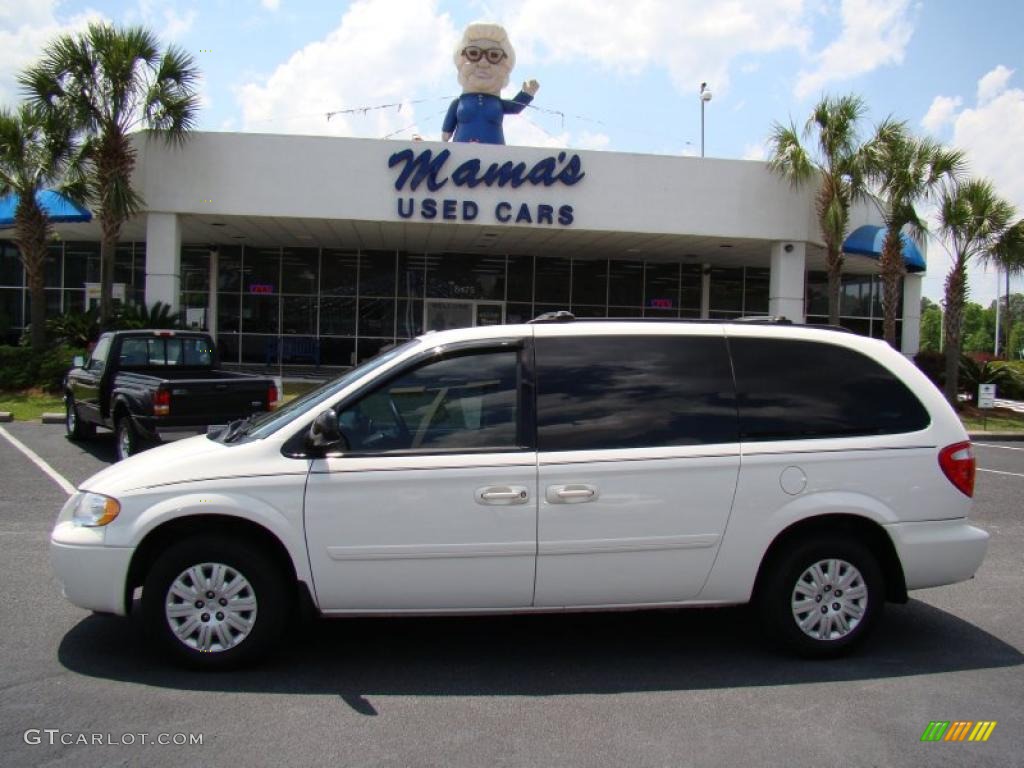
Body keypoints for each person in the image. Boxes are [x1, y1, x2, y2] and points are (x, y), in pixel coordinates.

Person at [441, 22, 539, 145]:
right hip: (460, 158)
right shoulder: (458, 103)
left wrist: (526, 94)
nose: (483, 63)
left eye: (494, 55)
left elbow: (515, 107)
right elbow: (446, 134)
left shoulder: (497, 103)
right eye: (473, 53)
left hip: (495, 160)